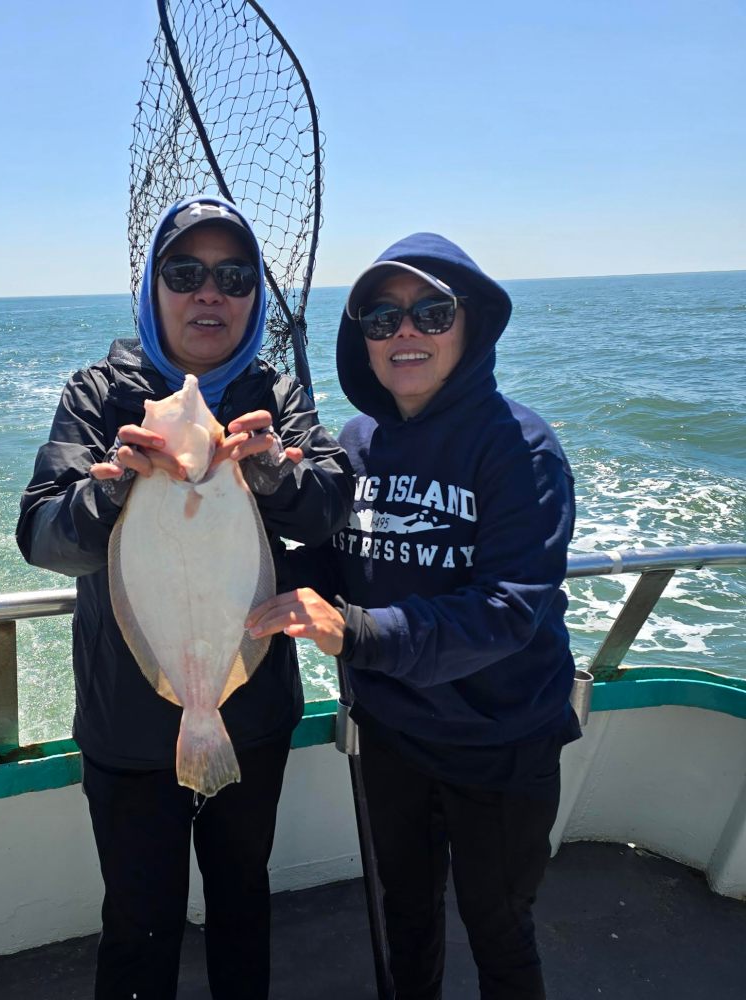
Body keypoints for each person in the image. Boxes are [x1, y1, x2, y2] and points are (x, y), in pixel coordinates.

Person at [16, 195, 352, 1000]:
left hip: (251, 707)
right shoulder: (100, 396)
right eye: (186, 272)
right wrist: (108, 493)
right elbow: (41, 533)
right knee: (138, 920)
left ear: (253, 298)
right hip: (129, 724)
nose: (211, 292)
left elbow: (333, 499)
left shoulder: (274, 395)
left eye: (234, 276)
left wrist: (276, 471)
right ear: (153, 289)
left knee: (243, 901)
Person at [246, 232, 580, 999]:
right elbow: (334, 564)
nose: (405, 333)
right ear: (359, 337)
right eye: (381, 317)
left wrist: (355, 632)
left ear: (471, 325)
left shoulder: (520, 449)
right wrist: (239, 513)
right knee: (405, 918)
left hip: (500, 742)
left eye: (432, 313)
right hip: (394, 735)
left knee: (499, 927)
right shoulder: (355, 443)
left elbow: (508, 611)